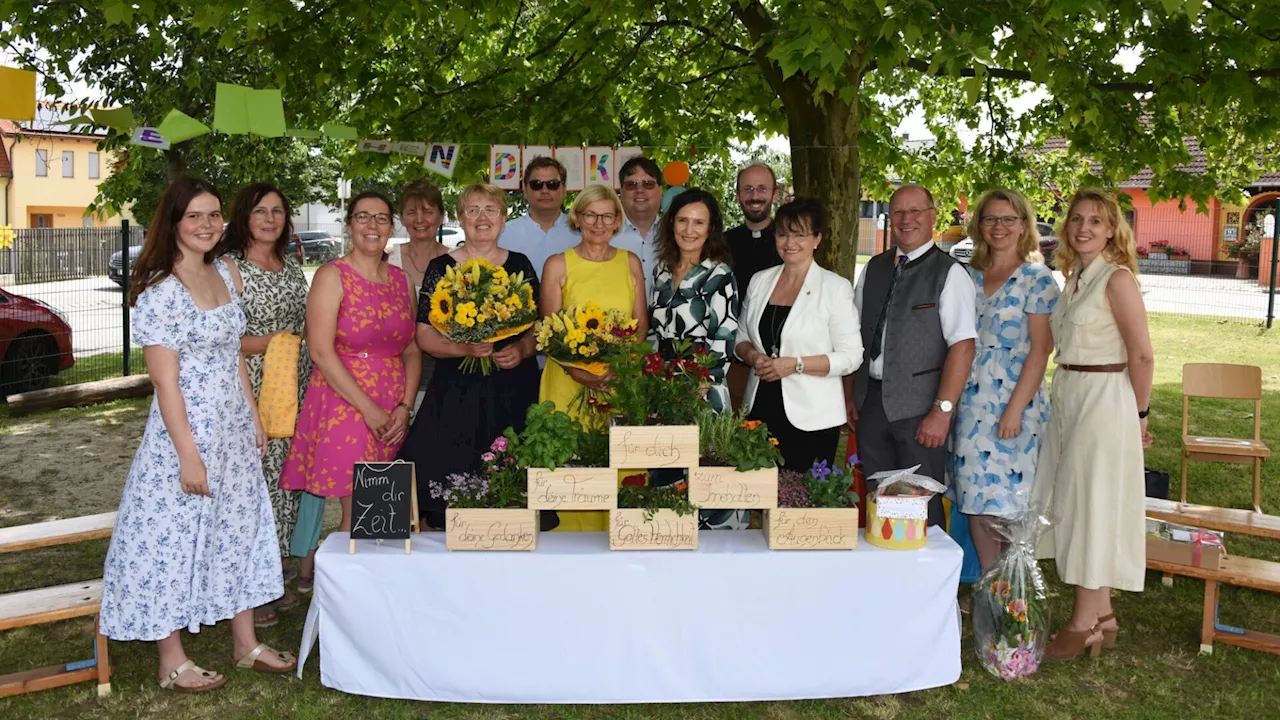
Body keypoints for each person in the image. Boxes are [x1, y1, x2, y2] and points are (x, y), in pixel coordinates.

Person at [101, 177, 295, 694]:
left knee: (240, 528)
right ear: (175, 223)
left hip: (232, 429)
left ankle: (246, 643)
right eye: (196, 217)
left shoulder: (223, 277)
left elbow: (233, 356)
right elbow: (165, 383)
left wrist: (253, 416)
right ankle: (171, 660)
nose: (207, 225)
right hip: (184, 433)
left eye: (214, 216)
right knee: (170, 537)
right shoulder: (160, 291)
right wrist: (188, 456)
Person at [1035, 188, 1153, 661]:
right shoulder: (1076, 277)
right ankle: (1103, 614)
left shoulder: (1117, 279)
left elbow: (1142, 354)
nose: (1084, 228)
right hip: (1070, 395)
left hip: (1106, 399)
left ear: (1112, 230)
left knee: (1091, 505)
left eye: (1096, 221)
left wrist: (1139, 415)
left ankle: (1084, 622)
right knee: (1079, 500)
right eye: (1077, 219)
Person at [280, 191, 420, 590]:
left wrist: (404, 406)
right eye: (363, 217)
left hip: (392, 403)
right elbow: (322, 352)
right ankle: (345, 600)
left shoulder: (401, 280)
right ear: (348, 225)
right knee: (359, 503)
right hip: (345, 401)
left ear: (391, 226)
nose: (372, 226)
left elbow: (410, 349)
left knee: (386, 505)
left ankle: (378, 593)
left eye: (381, 218)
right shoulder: (332, 275)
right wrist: (369, 410)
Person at [399, 184, 541, 529]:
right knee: (444, 478)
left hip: (511, 387)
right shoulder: (441, 268)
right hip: (456, 389)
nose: (482, 217)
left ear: (504, 218)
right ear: (460, 218)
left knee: (510, 480)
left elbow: (538, 327)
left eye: (491, 209)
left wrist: (521, 350)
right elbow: (424, 333)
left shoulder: (520, 264)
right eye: (473, 209)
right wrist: (463, 349)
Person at [848, 183, 977, 528]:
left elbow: (963, 346)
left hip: (922, 411)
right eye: (899, 212)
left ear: (933, 216)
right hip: (871, 404)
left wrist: (942, 411)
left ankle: (928, 578)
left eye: (916, 211)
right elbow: (854, 339)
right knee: (879, 500)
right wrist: (851, 395)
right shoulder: (873, 269)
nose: (906, 220)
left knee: (922, 506)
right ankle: (887, 576)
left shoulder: (950, 273)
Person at [218, 181, 313, 629]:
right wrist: (278, 343)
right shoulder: (229, 268)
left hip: (295, 382)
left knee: (286, 478)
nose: (270, 219)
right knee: (255, 484)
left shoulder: (292, 264)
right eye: (260, 211)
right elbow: (224, 339)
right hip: (252, 385)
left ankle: (273, 573)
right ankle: (249, 589)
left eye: (277, 211)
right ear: (244, 218)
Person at [949, 188, 1059, 572]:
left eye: (1008, 219)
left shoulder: (1037, 278)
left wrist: (1014, 410)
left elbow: (1040, 350)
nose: (999, 227)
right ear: (978, 225)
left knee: (1011, 505)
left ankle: (1017, 589)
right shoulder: (966, 275)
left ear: (1024, 225)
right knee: (977, 503)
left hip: (1016, 406)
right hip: (970, 405)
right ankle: (990, 587)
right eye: (990, 218)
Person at [540, 184, 649, 531]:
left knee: (620, 466)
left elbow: (640, 327)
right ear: (577, 217)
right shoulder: (558, 265)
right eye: (590, 214)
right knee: (570, 467)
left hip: (619, 384)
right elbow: (548, 335)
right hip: (566, 382)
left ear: (617, 220)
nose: (598, 223)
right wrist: (582, 373)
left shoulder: (630, 263)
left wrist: (615, 369)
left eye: (607, 215)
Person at [734, 197, 862, 472]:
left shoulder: (835, 288)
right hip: (759, 409)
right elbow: (741, 337)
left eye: (800, 234)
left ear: (817, 239)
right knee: (760, 498)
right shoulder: (760, 281)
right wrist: (754, 356)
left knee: (802, 508)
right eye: (783, 234)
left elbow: (851, 358)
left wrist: (795, 364)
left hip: (812, 418)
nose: (790, 242)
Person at [650, 188, 742, 529]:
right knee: (666, 472)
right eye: (683, 220)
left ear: (711, 228)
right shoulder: (662, 270)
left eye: (699, 223)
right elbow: (656, 333)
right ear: (671, 223)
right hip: (663, 386)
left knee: (706, 471)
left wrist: (701, 382)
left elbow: (725, 336)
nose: (689, 230)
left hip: (703, 387)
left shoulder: (720, 275)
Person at [387, 179, 449, 411]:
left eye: (428, 211)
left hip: (444, 372)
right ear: (402, 219)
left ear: (441, 217)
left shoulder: (458, 262)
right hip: (395, 372)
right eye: (412, 212)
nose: (420, 219)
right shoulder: (387, 260)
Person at [725, 163, 782, 410]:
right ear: (738, 196)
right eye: (747, 189)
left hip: (781, 364)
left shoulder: (791, 243)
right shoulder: (722, 244)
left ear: (775, 194)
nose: (755, 196)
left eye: (762, 188)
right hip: (733, 361)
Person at [498, 156, 580, 279]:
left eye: (553, 184)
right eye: (536, 184)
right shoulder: (503, 234)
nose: (545, 190)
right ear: (525, 190)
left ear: (564, 190)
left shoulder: (581, 232)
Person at [612, 156, 663, 294]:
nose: (639, 190)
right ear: (621, 192)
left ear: (660, 190)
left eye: (647, 184)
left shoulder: (676, 234)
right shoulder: (604, 234)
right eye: (631, 185)